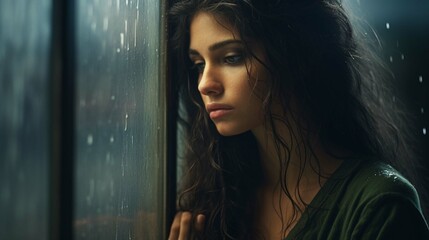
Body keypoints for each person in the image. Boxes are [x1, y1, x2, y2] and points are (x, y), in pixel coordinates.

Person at [168, 0, 429, 239]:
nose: (205, 84)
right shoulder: (217, 201)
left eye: (232, 57)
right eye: (199, 64)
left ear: (293, 55)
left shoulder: (379, 206)